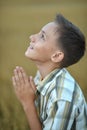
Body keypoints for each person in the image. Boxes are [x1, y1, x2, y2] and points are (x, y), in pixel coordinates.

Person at [12, 14, 87, 130]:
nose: (31, 37)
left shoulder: (62, 99)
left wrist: (28, 104)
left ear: (56, 56)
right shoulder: (42, 75)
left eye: (42, 36)